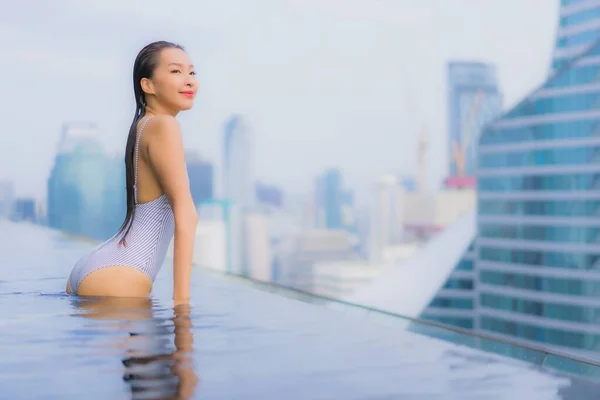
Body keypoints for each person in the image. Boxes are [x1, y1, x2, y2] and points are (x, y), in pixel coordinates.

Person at [66, 41, 199, 305]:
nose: (189, 81)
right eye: (175, 72)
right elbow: (187, 216)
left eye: (192, 72)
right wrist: (182, 309)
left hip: (99, 266)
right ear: (147, 85)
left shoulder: (143, 125)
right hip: (121, 276)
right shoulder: (165, 126)